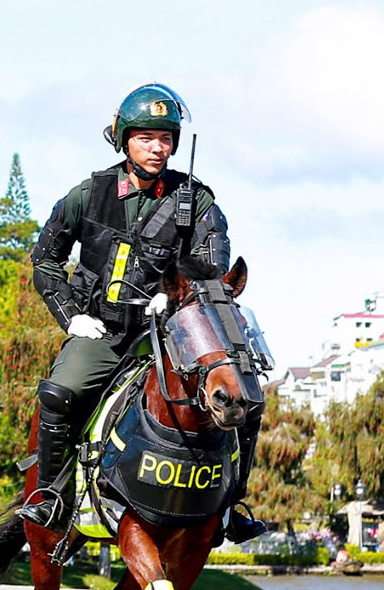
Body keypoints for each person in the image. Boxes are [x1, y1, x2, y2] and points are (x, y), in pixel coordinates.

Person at [18, 83, 266, 543]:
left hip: (171, 334)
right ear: (124, 139)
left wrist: (174, 296)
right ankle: (51, 497)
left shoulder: (198, 200)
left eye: (166, 138)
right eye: (147, 137)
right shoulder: (86, 195)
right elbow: (45, 259)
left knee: (244, 396)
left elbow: (214, 265)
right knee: (60, 390)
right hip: (103, 332)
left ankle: (232, 505)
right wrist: (71, 315)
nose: (158, 148)